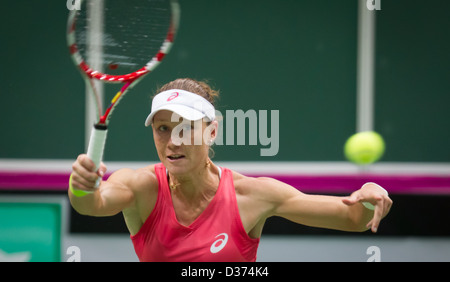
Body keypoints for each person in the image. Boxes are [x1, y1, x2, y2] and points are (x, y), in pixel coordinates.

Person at [69, 78, 393, 262]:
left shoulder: (253, 194)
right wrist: (81, 184)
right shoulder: (139, 186)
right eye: (163, 129)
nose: (172, 141)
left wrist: (368, 197)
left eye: (186, 128)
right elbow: (90, 204)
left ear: (212, 131)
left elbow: (352, 218)